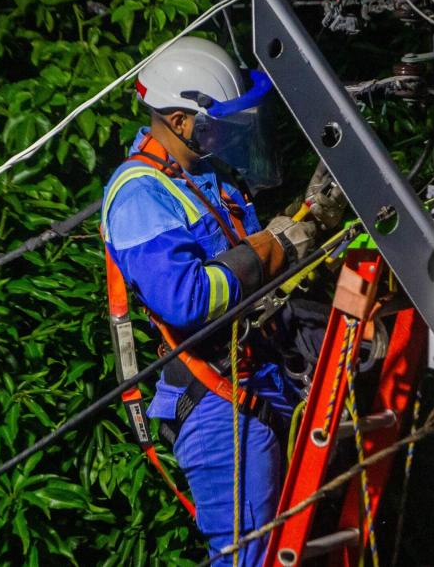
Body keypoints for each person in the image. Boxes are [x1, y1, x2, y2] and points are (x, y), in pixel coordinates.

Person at [100, 36, 344, 565]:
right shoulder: (140, 194)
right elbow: (187, 298)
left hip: (260, 383)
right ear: (180, 120)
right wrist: (277, 246)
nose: (227, 135)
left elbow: (252, 274)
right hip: (215, 403)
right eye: (216, 123)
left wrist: (305, 223)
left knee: (300, 546)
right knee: (248, 557)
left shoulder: (204, 179)